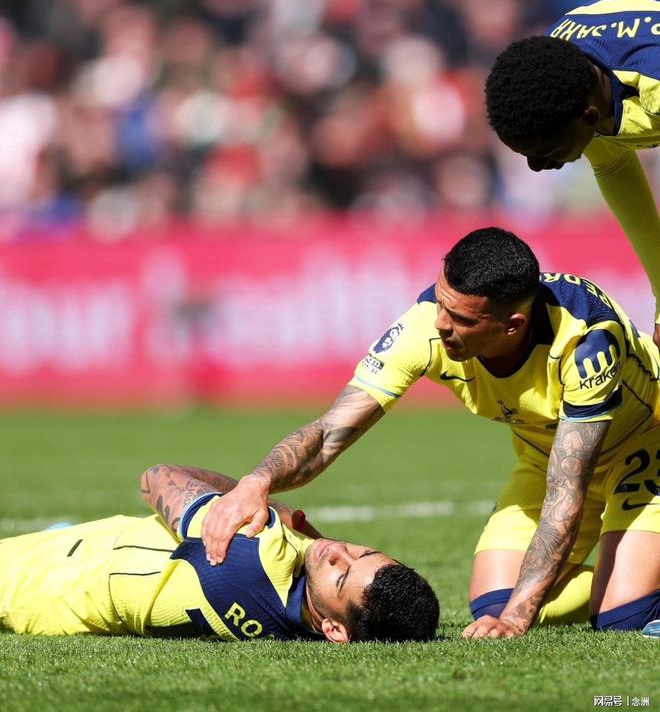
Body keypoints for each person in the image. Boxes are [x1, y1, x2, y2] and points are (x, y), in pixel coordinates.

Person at [201, 227, 660, 639]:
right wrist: (258, 480)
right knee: (493, 606)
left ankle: (627, 590)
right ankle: (625, 577)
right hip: (545, 457)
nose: (441, 324)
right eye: (442, 303)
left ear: (512, 326)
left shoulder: (586, 343)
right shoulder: (426, 326)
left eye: (461, 319)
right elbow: (330, 432)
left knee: (618, 618)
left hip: (642, 446)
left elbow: (567, 489)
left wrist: (518, 619)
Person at [0, 463, 439, 643]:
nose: (338, 551)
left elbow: (156, 479)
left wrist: (249, 492)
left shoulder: (256, 545)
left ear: (334, 629)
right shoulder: (301, 625)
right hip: (65, 609)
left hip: (48, 570)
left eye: (341, 575)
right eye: (361, 551)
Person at [484, 0, 660, 349]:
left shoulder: (651, 83)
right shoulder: (563, 72)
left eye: (546, 151)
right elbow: (613, 165)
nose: (536, 167)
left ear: (589, 117)